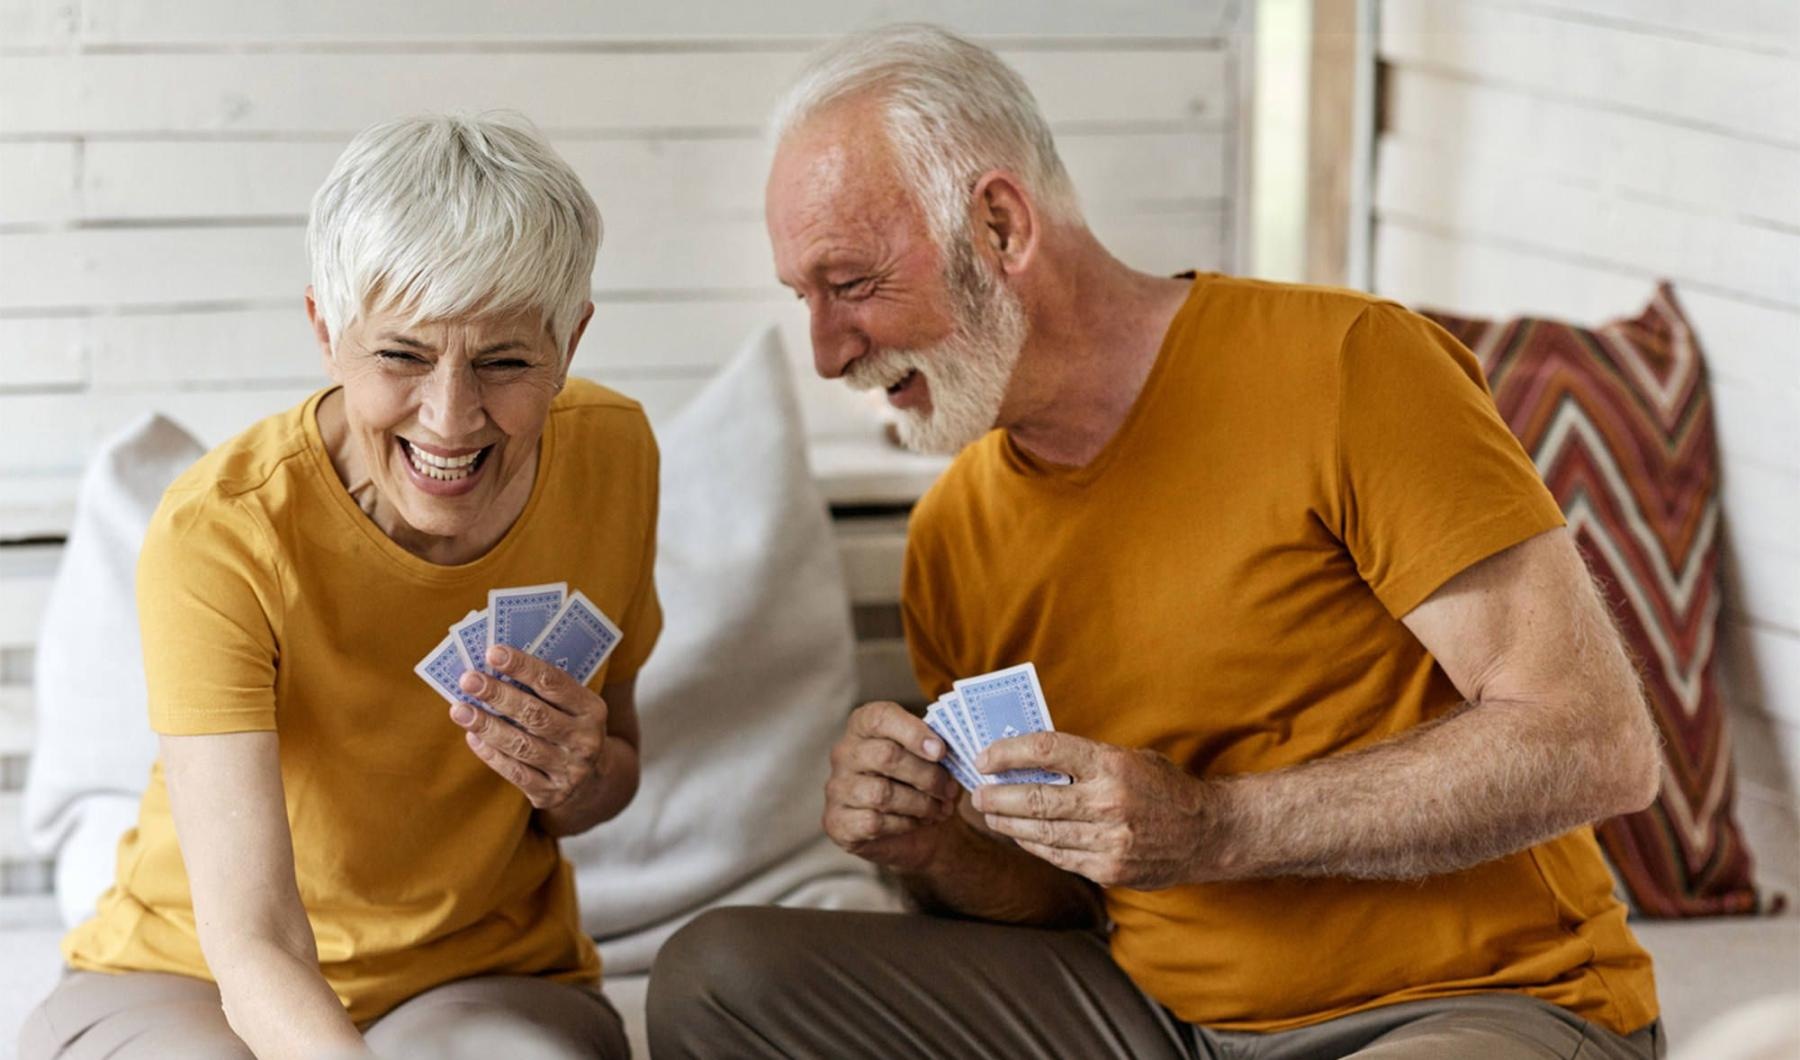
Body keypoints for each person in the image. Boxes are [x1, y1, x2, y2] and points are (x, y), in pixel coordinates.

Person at [648, 24, 1665, 1060]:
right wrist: (936, 847)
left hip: (1472, 1005)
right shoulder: (954, 533)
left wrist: (1219, 827)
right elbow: (1062, 901)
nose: (825, 353)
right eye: (804, 299)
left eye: (852, 284)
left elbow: (1593, 739)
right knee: (721, 982)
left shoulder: (1350, 367)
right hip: (1150, 1022)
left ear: (1000, 225)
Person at [20, 113, 659, 1060]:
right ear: (327, 331)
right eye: (401, 354)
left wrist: (580, 770)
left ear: (569, 342)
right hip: (189, 974)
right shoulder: (225, 532)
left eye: (506, 361)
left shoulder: (614, 454)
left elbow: (608, 781)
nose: (450, 418)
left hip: (479, 975)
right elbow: (255, 942)